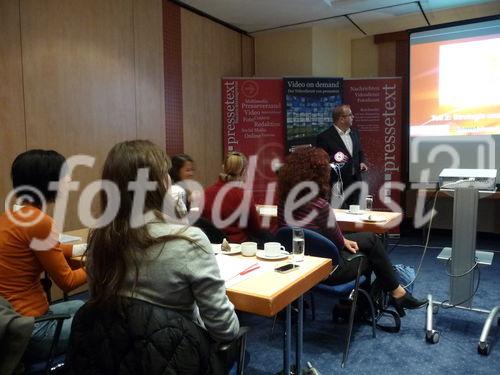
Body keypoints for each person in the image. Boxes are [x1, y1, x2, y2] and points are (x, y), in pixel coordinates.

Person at [87, 140, 239, 343]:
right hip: (176, 357)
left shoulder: (99, 239)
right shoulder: (190, 241)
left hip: (113, 354)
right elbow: (226, 329)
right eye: (165, 174)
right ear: (160, 184)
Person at [277, 147, 427, 315]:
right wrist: (342, 240)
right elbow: (337, 241)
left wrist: (342, 240)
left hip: (299, 263)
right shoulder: (320, 206)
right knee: (373, 251)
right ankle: (385, 297)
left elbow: (325, 237)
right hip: (328, 270)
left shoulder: (284, 201)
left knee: (369, 242)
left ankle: (384, 297)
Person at [0, 150, 87, 363]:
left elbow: (49, 249)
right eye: (64, 174)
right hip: (29, 332)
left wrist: (81, 249)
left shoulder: (13, 215)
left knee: (82, 306)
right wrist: (99, 263)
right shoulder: (40, 222)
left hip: (13, 320)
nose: (69, 179)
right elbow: (67, 282)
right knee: (105, 319)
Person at [202, 151, 272, 246]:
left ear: (224, 168)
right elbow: (255, 228)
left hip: (213, 246)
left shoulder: (205, 192)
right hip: (238, 246)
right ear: (243, 171)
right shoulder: (243, 194)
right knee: (269, 237)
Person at [316, 104, 368, 208]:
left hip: (355, 181)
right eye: (350, 115)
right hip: (336, 184)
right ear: (341, 119)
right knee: (339, 216)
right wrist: (334, 158)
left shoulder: (355, 133)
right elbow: (320, 160)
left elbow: (359, 152)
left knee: (354, 213)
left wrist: (361, 162)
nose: (353, 117)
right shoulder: (324, 137)